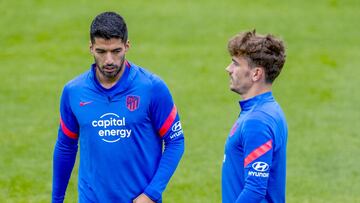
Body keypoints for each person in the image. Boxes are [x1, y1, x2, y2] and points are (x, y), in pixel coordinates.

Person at [52, 11, 185, 203]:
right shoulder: (74, 91)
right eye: (101, 51)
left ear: (127, 46)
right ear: (91, 48)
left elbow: (176, 141)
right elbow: (65, 146)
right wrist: (56, 200)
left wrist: (151, 194)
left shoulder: (152, 88)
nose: (109, 60)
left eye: (116, 51)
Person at [222, 30, 288, 203]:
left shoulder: (257, 120)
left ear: (256, 74)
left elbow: (255, 190)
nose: (228, 69)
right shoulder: (269, 109)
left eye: (236, 64)